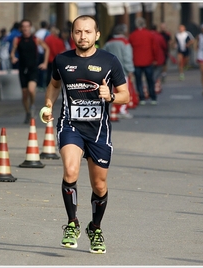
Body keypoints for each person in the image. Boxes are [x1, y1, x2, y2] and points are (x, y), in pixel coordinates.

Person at [40, 15, 129, 254]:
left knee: (99, 185)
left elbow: (125, 95)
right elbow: (54, 84)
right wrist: (48, 105)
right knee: (70, 170)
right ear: (72, 34)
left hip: (99, 130)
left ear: (97, 35)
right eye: (78, 32)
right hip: (70, 125)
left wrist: (110, 95)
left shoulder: (110, 61)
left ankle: (95, 228)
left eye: (88, 32)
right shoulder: (62, 60)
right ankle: (72, 224)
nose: (83, 36)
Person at [10, 19, 49, 124]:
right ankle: (27, 113)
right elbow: (12, 52)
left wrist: (45, 63)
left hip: (33, 68)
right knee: (24, 93)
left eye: (27, 26)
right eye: (24, 26)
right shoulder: (17, 39)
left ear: (30, 27)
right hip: (22, 68)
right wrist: (13, 57)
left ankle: (32, 105)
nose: (26, 28)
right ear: (21, 28)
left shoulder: (36, 39)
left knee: (31, 90)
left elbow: (47, 49)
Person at [102, 23, 135, 119]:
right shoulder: (125, 42)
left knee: (111, 91)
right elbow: (127, 57)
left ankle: (112, 109)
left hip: (109, 70)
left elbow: (103, 54)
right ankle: (122, 110)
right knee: (124, 91)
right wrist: (130, 70)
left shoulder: (109, 42)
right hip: (122, 70)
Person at [129, 17, 157, 105]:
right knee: (150, 80)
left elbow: (130, 49)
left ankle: (141, 98)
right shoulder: (149, 34)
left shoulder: (132, 35)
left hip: (136, 61)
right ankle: (153, 97)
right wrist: (155, 59)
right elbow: (154, 48)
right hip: (148, 60)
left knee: (138, 80)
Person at [34, 21, 50, 90]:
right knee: (43, 70)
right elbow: (47, 43)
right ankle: (42, 84)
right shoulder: (47, 33)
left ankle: (38, 83)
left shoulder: (37, 33)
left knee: (38, 69)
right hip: (43, 52)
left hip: (37, 52)